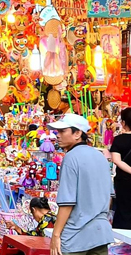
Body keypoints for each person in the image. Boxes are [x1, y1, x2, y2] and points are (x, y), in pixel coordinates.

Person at [48, 113, 114, 255]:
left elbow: (67, 202)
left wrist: (56, 234)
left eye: (62, 131)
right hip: (100, 234)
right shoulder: (100, 156)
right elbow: (109, 196)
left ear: (77, 133)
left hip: (75, 237)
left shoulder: (71, 158)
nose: (57, 135)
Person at [111, 107, 131, 229]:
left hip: (124, 181)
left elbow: (116, 160)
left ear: (123, 123)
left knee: (123, 209)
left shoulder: (119, 140)